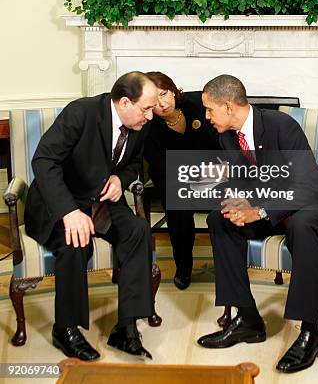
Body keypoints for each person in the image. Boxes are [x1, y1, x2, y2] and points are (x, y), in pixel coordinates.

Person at [196, 75, 318, 374]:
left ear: (227, 105)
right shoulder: (226, 136)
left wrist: (260, 211)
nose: (206, 116)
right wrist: (238, 205)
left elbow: (304, 184)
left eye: (209, 109)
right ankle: (248, 320)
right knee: (219, 219)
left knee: (301, 226)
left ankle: (309, 332)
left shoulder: (281, 125)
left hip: (311, 203)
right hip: (270, 208)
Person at [24, 71, 159, 361]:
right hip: (61, 201)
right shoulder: (81, 112)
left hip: (101, 203)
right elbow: (44, 160)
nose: (150, 116)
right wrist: (69, 212)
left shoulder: (140, 124)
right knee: (76, 242)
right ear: (124, 102)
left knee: (137, 230)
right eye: (146, 108)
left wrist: (120, 180)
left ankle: (126, 328)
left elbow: (133, 162)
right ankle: (66, 328)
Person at [144, 72, 219, 290]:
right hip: (172, 178)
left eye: (164, 94)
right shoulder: (148, 126)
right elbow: (160, 166)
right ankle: (183, 267)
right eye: (154, 101)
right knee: (177, 202)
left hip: (212, 171)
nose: (162, 103)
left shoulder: (198, 104)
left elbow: (220, 141)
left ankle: (228, 264)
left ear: (173, 90)